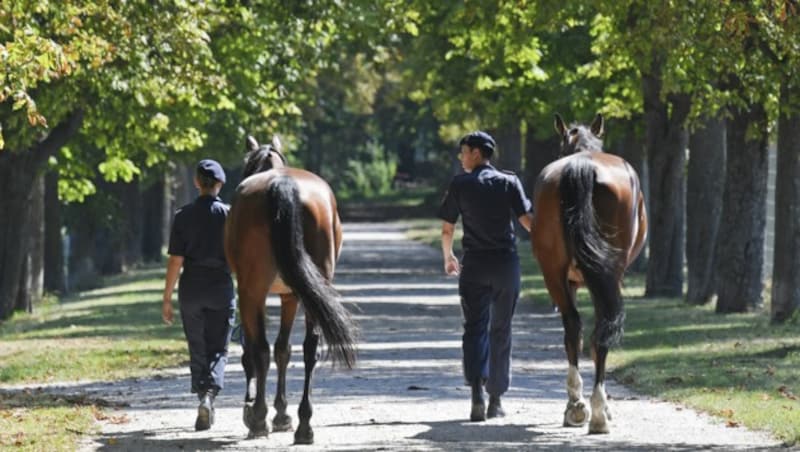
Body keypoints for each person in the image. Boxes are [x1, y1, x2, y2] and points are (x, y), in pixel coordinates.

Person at [438, 131, 533, 422]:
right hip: (506, 265)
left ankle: (476, 394)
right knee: (501, 330)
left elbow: (447, 228)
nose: (461, 157)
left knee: (474, 328)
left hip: (475, 266)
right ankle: (495, 400)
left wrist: (449, 256)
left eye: (464, 152)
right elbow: (528, 223)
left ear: (477, 153)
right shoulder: (509, 182)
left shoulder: (460, 184)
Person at [162, 159, 236, 431]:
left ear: (196, 183)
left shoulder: (183, 215)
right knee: (219, 347)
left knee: (198, 346)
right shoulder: (230, 215)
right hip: (220, 287)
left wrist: (167, 298)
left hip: (191, 287)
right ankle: (209, 396)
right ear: (220, 184)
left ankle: (201, 394)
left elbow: (175, 261)